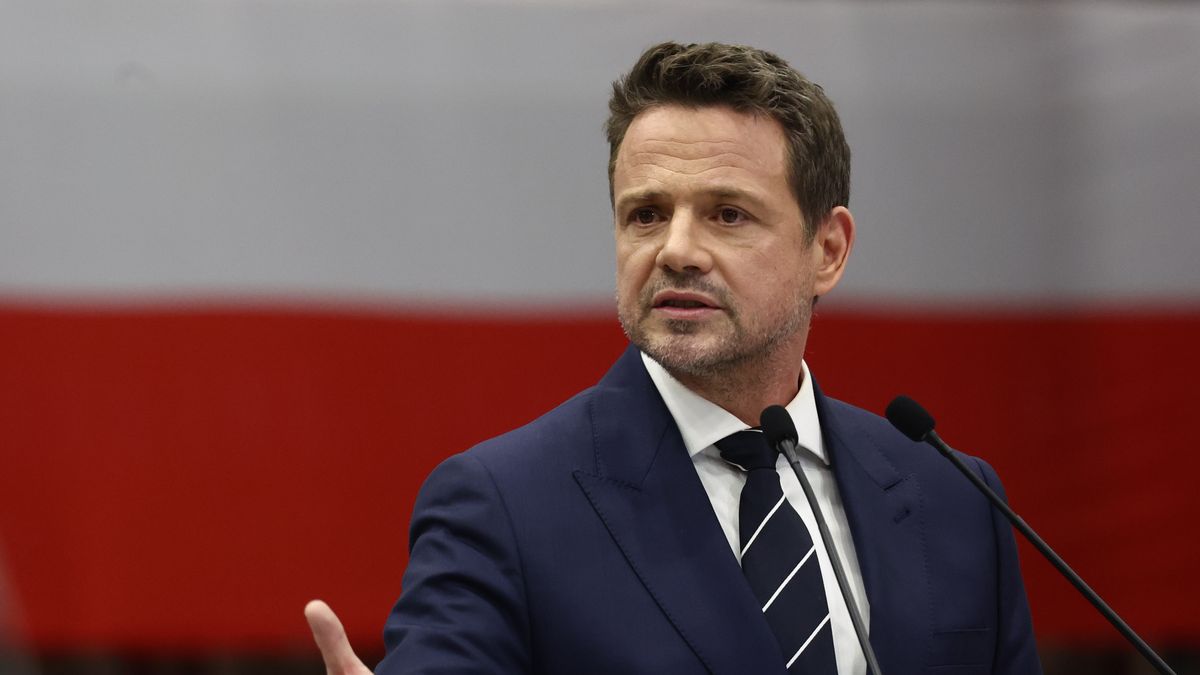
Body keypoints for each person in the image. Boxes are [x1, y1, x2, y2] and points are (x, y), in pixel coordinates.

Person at [306, 41, 1041, 674]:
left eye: (727, 213)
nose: (677, 249)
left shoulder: (955, 498)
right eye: (647, 214)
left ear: (828, 249)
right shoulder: (504, 507)